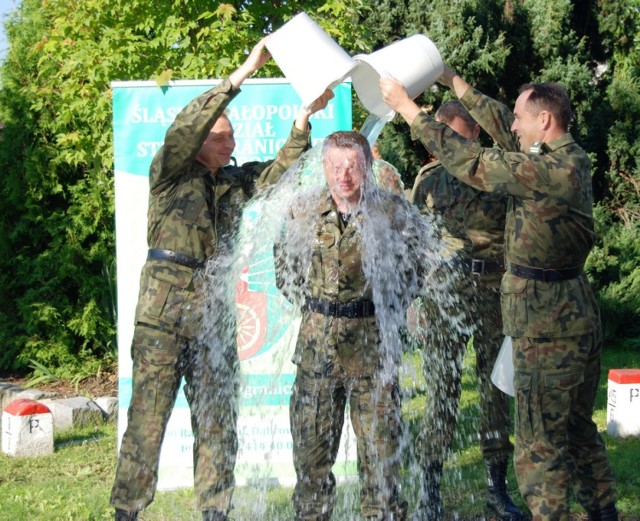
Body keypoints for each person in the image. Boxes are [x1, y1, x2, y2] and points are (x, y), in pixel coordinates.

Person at [110, 37, 333, 521]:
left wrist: (302, 120)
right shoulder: (170, 171)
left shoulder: (232, 181)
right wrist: (245, 71)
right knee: (147, 423)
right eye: (220, 137)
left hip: (213, 320)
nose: (229, 144)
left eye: (232, 139)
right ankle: (127, 511)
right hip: (163, 320)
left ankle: (215, 512)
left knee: (217, 425)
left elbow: (278, 174)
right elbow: (185, 127)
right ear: (200, 141)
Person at [380, 67, 618, 520]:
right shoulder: (564, 158)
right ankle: (605, 513)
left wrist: (407, 109)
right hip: (566, 312)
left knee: (539, 445)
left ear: (544, 121)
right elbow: (496, 123)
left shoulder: (546, 170)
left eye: (520, 119)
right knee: (577, 430)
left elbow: (472, 161)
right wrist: (451, 80)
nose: (511, 126)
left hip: (546, 323)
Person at [275, 131, 429, 521]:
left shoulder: (393, 212)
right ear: (324, 167)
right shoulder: (303, 210)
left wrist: (375, 307)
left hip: (374, 353)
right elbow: (284, 272)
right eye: (336, 166)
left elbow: (415, 273)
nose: (344, 175)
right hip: (317, 355)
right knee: (311, 462)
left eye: (353, 166)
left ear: (368, 167)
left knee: (381, 464)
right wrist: (322, 309)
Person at [406, 100, 526, 521]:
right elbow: (413, 244)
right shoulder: (428, 181)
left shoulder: (496, 172)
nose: (448, 142)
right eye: (444, 133)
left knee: (496, 389)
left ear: (475, 133)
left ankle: (496, 485)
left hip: (495, 291)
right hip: (445, 296)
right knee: (442, 389)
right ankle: (431, 488)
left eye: (458, 134)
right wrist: (414, 300)